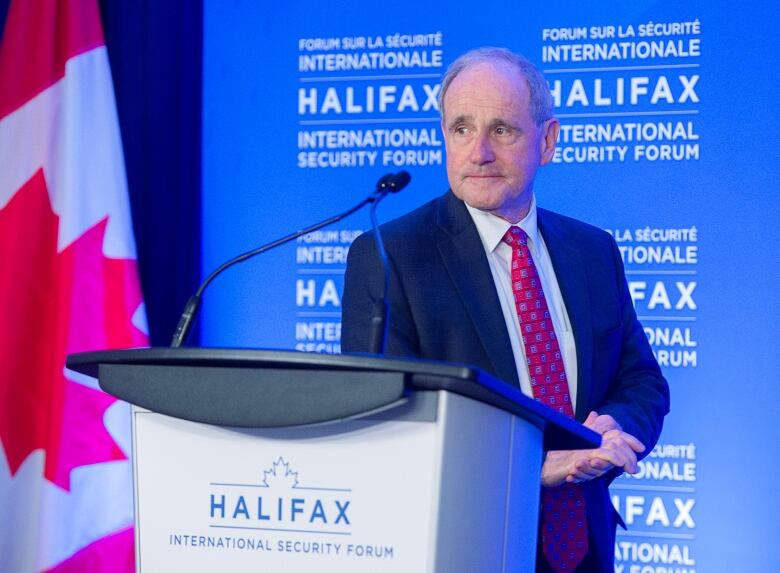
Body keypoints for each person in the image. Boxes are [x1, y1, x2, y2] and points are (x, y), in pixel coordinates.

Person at [341, 47, 670, 572]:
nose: (479, 152)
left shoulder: (593, 250)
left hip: (585, 546)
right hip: (463, 546)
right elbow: (385, 427)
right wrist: (527, 468)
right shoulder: (392, 256)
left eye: (503, 130)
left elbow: (642, 381)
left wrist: (612, 428)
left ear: (548, 140)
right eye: (461, 129)